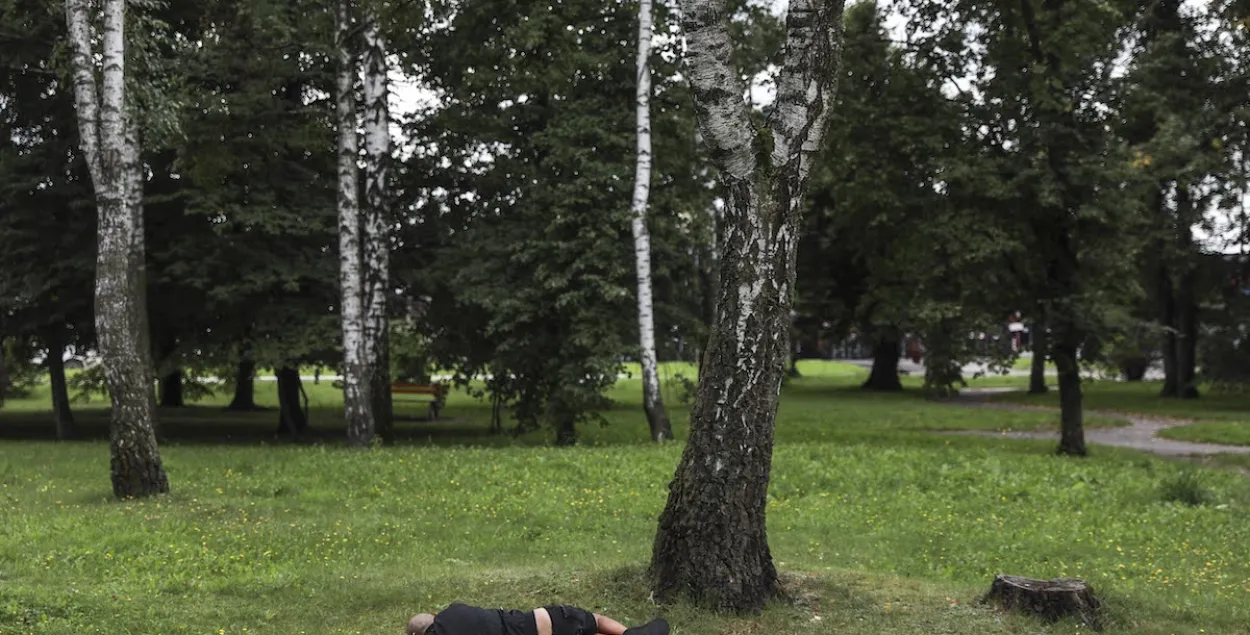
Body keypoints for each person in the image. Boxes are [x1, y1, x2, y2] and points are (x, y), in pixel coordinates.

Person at [406, 603, 668, 635]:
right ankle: (627, 634)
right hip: (541, 623)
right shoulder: (453, 611)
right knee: (594, 619)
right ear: (433, 616)